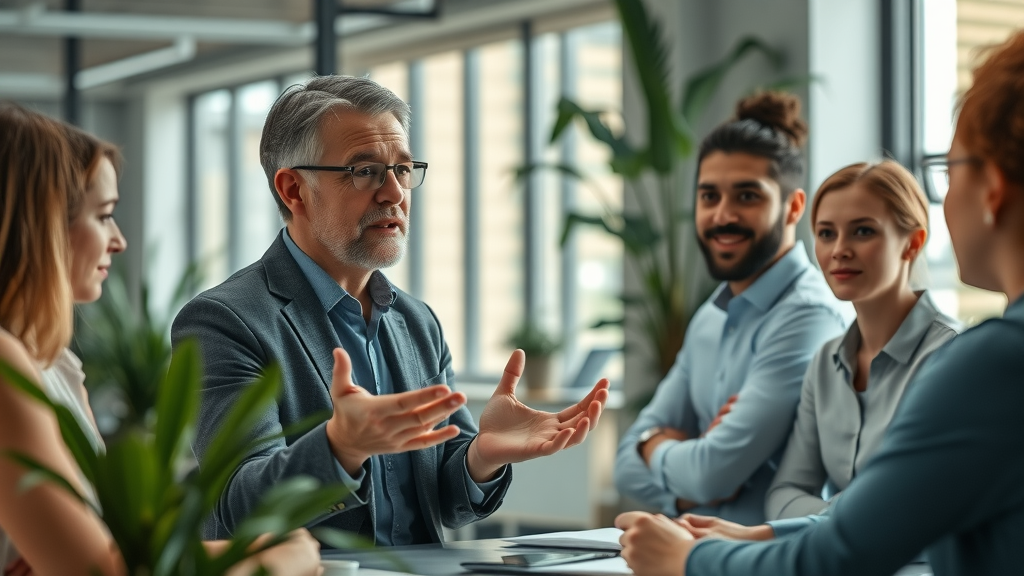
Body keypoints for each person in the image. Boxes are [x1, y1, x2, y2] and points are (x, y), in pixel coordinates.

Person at [616, 29, 1024, 576]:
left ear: (992, 187)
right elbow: (820, 506)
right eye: (827, 233)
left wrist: (692, 558)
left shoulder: (981, 361)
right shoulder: (800, 348)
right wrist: (671, 454)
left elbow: (848, 547)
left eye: (949, 172)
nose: (839, 251)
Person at [170, 75, 610, 544]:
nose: (394, 194)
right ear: (294, 190)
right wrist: (340, 449)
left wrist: (482, 455)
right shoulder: (224, 322)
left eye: (402, 170)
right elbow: (237, 505)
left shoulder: (416, 322)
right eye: (364, 172)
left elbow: (441, 497)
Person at [0, 103, 322, 576]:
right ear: (42, 223)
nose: (119, 240)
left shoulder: (54, 364)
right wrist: (275, 556)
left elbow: (105, 549)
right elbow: (101, 568)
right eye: (104, 215)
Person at [673, 160, 960, 545]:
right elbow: (783, 493)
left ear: (913, 242)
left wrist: (780, 530)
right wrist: (852, 518)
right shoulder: (826, 363)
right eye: (826, 233)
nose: (839, 250)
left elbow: (912, 507)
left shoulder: (952, 357)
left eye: (862, 231)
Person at [613, 92, 849, 526]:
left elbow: (711, 473)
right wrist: (684, 479)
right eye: (709, 197)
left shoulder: (810, 317)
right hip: (698, 558)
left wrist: (657, 447)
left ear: (793, 207)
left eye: (746, 196)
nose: (722, 215)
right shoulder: (711, 315)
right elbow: (625, 464)